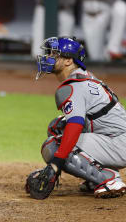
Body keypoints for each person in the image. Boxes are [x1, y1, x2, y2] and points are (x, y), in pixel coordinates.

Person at [25, 37, 126, 200]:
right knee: (57, 126)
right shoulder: (85, 77)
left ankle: (109, 179)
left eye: (54, 54)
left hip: (119, 143)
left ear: (68, 61)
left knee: (54, 145)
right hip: (116, 138)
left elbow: (76, 125)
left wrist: (56, 164)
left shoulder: (72, 86)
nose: (48, 57)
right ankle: (95, 178)